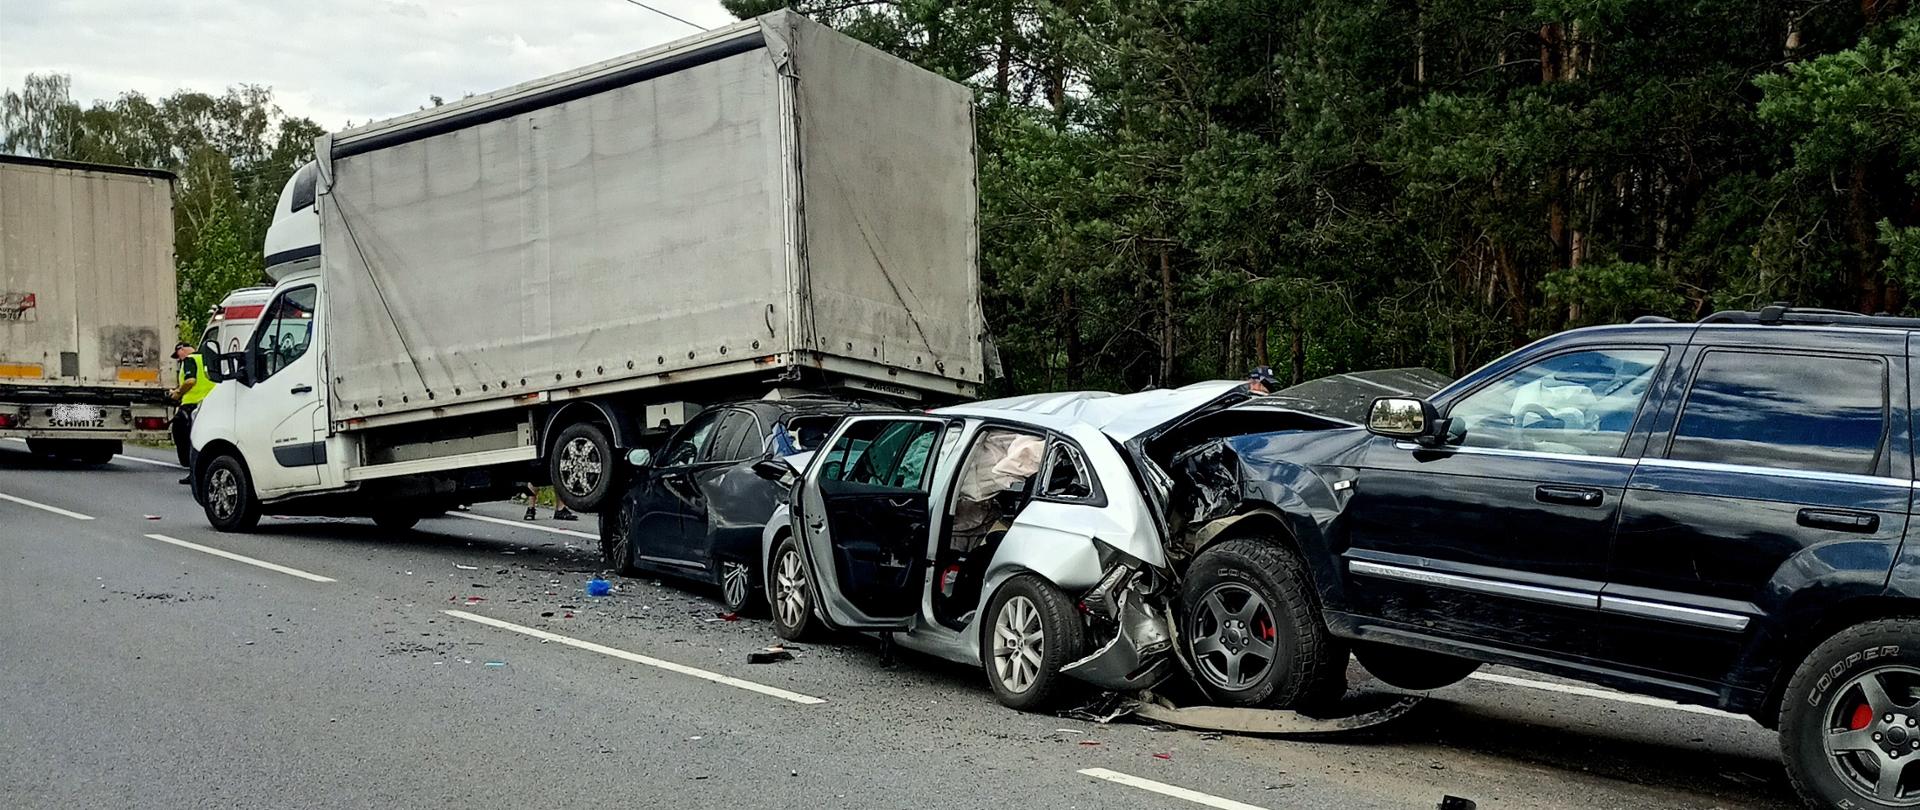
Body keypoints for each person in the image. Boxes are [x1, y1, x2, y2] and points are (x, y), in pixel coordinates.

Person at [168, 342, 214, 484]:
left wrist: (177, 393)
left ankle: (193, 472)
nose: (179, 359)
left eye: (178, 356)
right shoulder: (208, 358)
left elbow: (190, 381)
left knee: (187, 438)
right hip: (210, 403)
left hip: (192, 405)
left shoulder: (190, 360)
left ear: (182, 350)